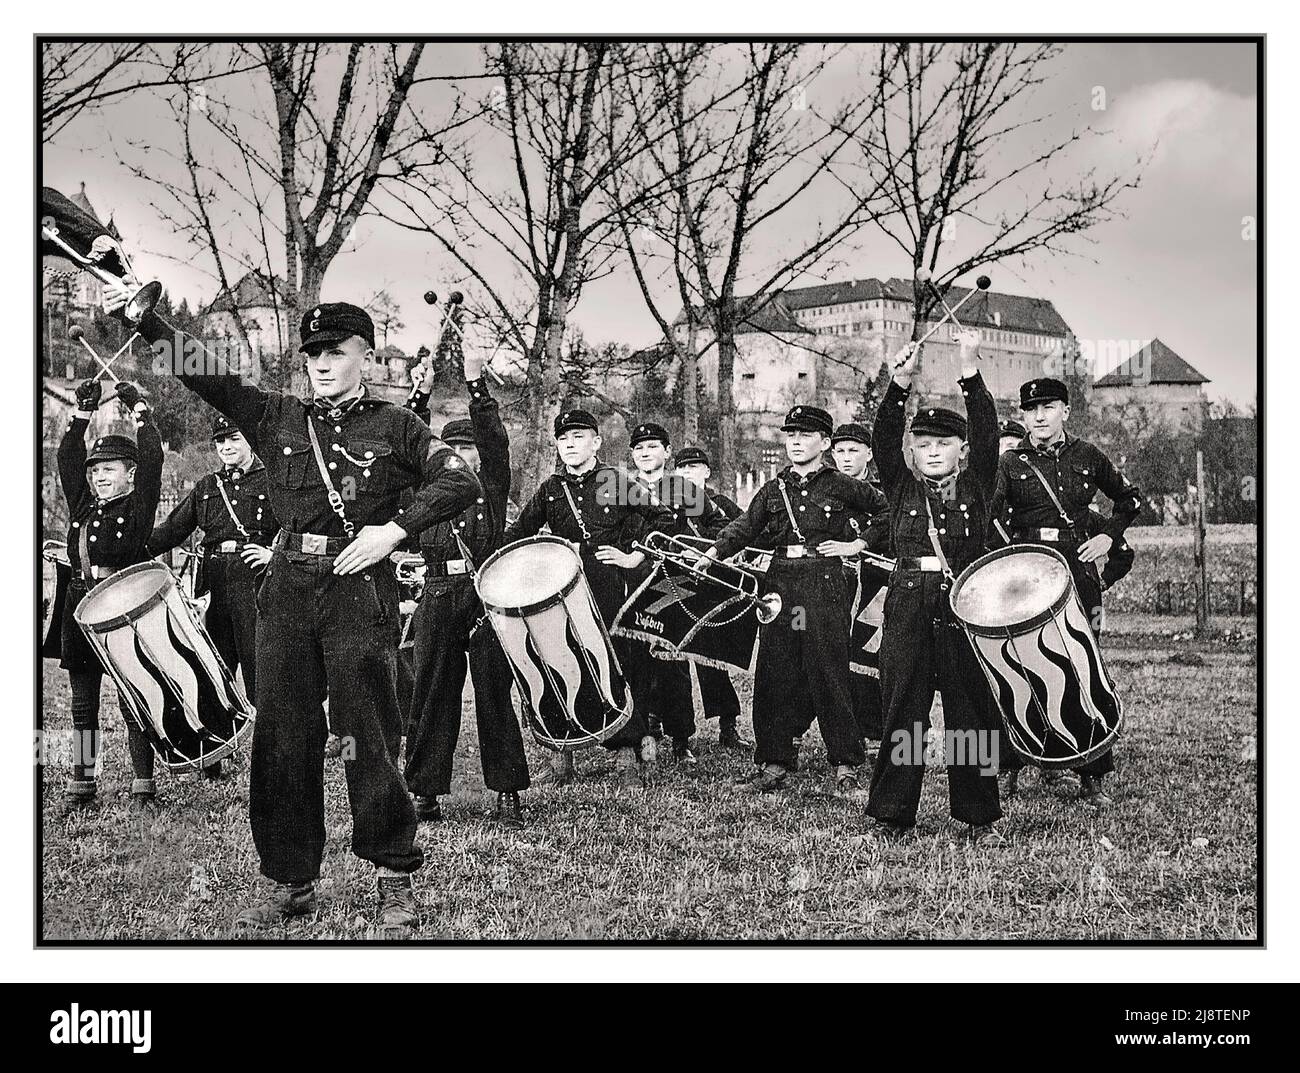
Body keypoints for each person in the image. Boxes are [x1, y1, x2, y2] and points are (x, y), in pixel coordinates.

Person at [107, 285, 482, 931]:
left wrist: (392, 532)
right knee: (283, 737)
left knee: (370, 733)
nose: (322, 364)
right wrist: (143, 320)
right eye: (313, 354)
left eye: (336, 352)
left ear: (365, 354)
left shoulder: (397, 426)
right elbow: (207, 374)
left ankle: (394, 873)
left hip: (357, 590)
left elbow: (460, 479)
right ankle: (290, 879)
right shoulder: (277, 415)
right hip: (284, 590)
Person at [701, 404, 885, 796]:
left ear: (824, 442)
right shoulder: (774, 487)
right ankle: (774, 762)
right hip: (781, 583)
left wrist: (857, 543)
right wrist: (713, 554)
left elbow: (887, 512)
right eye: (791, 435)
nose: (796, 442)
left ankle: (845, 764)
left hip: (824, 581)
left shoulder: (842, 484)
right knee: (775, 671)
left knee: (829, 669)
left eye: (805, 435)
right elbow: (746, 527)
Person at [864, 330, 1004, 844]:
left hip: (965, 607)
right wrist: (899, 385)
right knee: (904, 708)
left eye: (944, 443)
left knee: (970, 711)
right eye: (923, 445)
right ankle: (892, 812)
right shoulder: (900, 485)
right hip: (906, 605)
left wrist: (969, 373)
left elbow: (989, 433)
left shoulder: (977, 483)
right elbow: (882, 438)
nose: (933, 452)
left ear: (962, 449)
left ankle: (978, 815)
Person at [991, 377, 1142, 807]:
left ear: (1066, 411)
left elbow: (1130, 500)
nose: (1039, 416)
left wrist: (1109, 537)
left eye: (1048, 407)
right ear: (1023, 416)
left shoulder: (1089, 456)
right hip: (1027, 572)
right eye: (1031, 409)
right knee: (1017, 667)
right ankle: (1012, 766)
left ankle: (1092, 775)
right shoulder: (1009, 462)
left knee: (1083, 665)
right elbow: (991, 515)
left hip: (1076, 571)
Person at [504, 408, 670, 787]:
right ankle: (562, 754)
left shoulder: (616, 480)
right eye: (563, 439)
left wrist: (635, 556)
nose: (570, 445)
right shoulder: (550, 489)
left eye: (578, 437)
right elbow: (517, 533)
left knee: (612, 662)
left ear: (595, 442)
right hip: (562, 589)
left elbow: (662, 519)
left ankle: (626, 752)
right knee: (562, 661)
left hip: (608, 584)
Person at [403, 346, 530, 827]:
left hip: (487, 599)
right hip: (436, 593)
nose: (465, 457)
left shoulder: (492, 486)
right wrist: (421, 392)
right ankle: (424, 792)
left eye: (470, 448)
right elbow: (407, 440)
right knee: (432, 694)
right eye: (454, 450)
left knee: (495, 692)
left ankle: (508, 790)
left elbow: (498, 442)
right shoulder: (425, 485)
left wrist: (477, 384)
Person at [57, 380, 162, 811]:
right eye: (96, 470)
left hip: (123, 610)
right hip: (80, 609)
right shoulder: (83, 506)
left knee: (133, 699)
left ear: (131, 474)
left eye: (109, 469)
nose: (99, 477)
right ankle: (82, 783)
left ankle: (143, 785)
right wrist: (83, 413)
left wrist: (140, 409)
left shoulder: (139, 505)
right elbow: (67, 457)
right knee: (82, 706)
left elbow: (153, 455)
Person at [148, 414, 276, 722]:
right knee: (212, 665)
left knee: (260, 665)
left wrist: (274, 554)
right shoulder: (207, 486)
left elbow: (295, 526)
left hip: (255, 581)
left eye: (234, 439)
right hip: (212, 583)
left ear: (249, 440)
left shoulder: (272, 480)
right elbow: (171, 530)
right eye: (220, 441)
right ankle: (217, 751)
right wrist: (128, 553)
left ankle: (269, 752)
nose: (227, 447)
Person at [625, 422, 732, 765]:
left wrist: (698, 551)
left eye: (653, 447)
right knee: (635, 661)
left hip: (673, 583)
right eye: (639, 448)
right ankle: (640, 736)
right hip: (632, 581)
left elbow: (718, 526)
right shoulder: (621, 489)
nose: (646, 453)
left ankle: (681, 740)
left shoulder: (681, 488)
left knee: (673, 662)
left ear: (667, 452)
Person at [673, 445, 750, 751]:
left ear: (706, 472)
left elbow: (747, 531)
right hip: (677, 583)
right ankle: (662, 725)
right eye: (683, 469)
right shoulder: (669, 503)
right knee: (668, 656)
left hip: (713, 585)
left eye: (695, 467)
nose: (688, 473)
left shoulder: (721, 503)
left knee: (712, 657)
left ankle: (728, 725)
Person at [828, 422, 889, 750]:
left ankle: (873, 733)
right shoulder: (825, 489)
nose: (846, 458)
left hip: (873, 582)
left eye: (854, 451)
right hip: (832, 581)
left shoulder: (882, 492)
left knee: (867, 658)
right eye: (840, 451)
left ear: (869, 453)